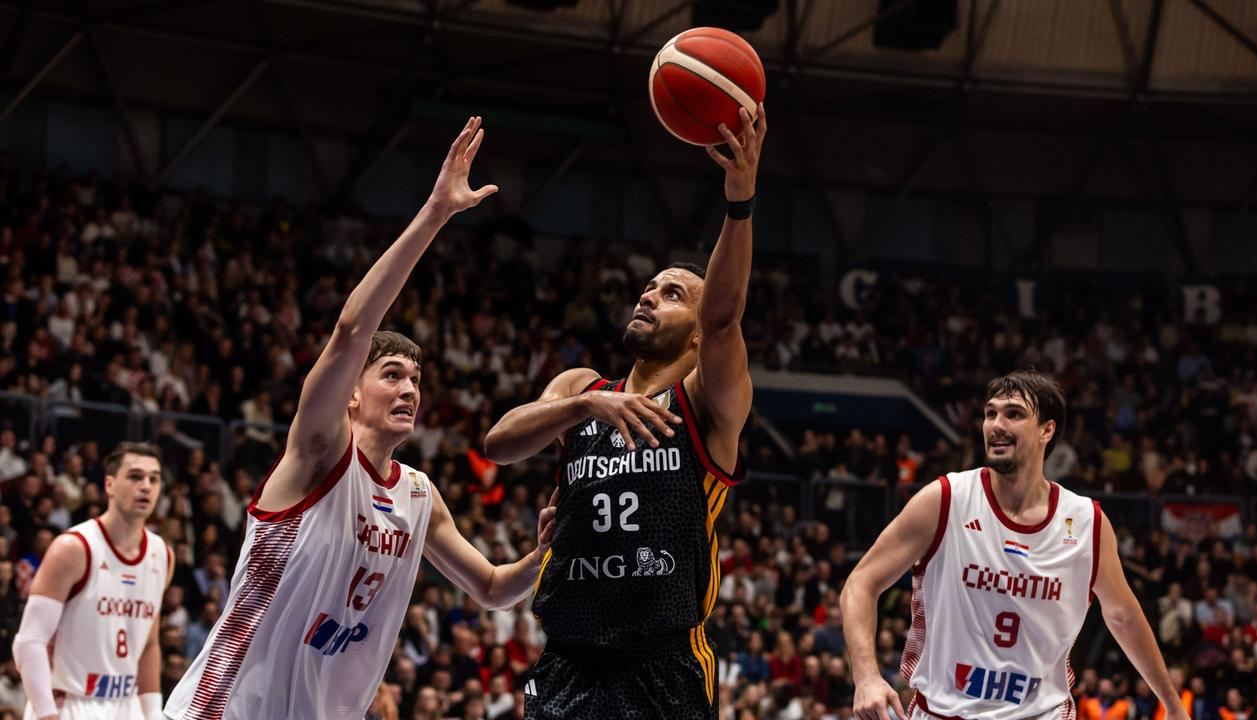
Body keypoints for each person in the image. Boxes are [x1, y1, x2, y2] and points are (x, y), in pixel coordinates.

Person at [164, 117, 557, 720]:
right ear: (351, 392)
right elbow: (352, 330)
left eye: (416, 380)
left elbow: (492, 588)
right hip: (228, 709)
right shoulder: (321, 448)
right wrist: (436, 214)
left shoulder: (419, 496)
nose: (409, 389)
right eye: (392, 375)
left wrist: (545, 552)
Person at [485, 105, 766, 719]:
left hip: (662, 665)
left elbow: (725, 318)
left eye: (672, 294)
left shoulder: (703, 402)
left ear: (696, 332)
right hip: (567, 660)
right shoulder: (583, 388)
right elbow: (499, 443)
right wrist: (587, 403)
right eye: (649, 288)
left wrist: (739, 200)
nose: (649, 296)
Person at [840, 370, 1188, 720]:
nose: (996, 425)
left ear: (1046, 431)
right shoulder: (946, 499)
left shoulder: (1086, 523)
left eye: (1014, 414)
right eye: (990, 413)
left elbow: (1123, 615)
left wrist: (1173, 707)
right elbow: (860, 583)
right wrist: (866, 677)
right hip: (945, 712)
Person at [12, 442, 171, 720]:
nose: (146, 486)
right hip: (70, 701)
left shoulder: (162, 554)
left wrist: (152, 714)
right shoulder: (73, 548)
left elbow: (148, 644)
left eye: (154, 479)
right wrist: (46, 714)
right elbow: (29, 642)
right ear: (109, 484)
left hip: (126, 704)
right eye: (135, 476)